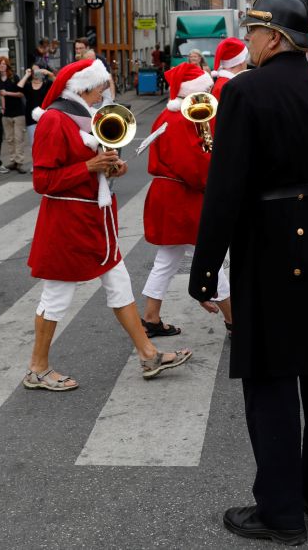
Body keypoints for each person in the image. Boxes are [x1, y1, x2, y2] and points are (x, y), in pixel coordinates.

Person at [188, 0, 308, 544]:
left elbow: (226, 189)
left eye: (252, 30)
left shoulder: (246, 93)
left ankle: (280, 512)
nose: (247, 39)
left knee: (272, 381)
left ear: (273, 35)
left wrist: (205, 271)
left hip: (272, 248)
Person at [23, 57, 192, 392]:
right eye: (101, 86)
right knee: (56, 295)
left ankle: (148, 353)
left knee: (120, 285)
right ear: (85, 86)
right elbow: (42, 180)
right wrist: (89, 167)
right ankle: (37, 369)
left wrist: (110, 168)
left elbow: (93, 165)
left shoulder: (86, 117)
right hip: (67, 224)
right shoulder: (55, 120)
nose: (104, 91)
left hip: (96, 220)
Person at [139, 63, 231, 336]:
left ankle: (151, 318)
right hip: (180, 199)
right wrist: (218, 175)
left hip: (173, 196)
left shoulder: (178, 117)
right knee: (210, 257)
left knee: (166, 259)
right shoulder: (180, 121)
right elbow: (193, 167)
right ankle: (233, 319)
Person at [0, 56, 28, 174]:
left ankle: (19, 162)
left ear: (7, 65)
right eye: (0, 64)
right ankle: (13, 160)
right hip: (6, 113)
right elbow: (0, 95)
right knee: (9, 139)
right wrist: (2, 107)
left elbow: (21, 94)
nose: (2, 66)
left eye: (4, 64)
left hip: (18, 112)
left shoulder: (14, 77)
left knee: (18, 138)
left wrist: (7, 93)